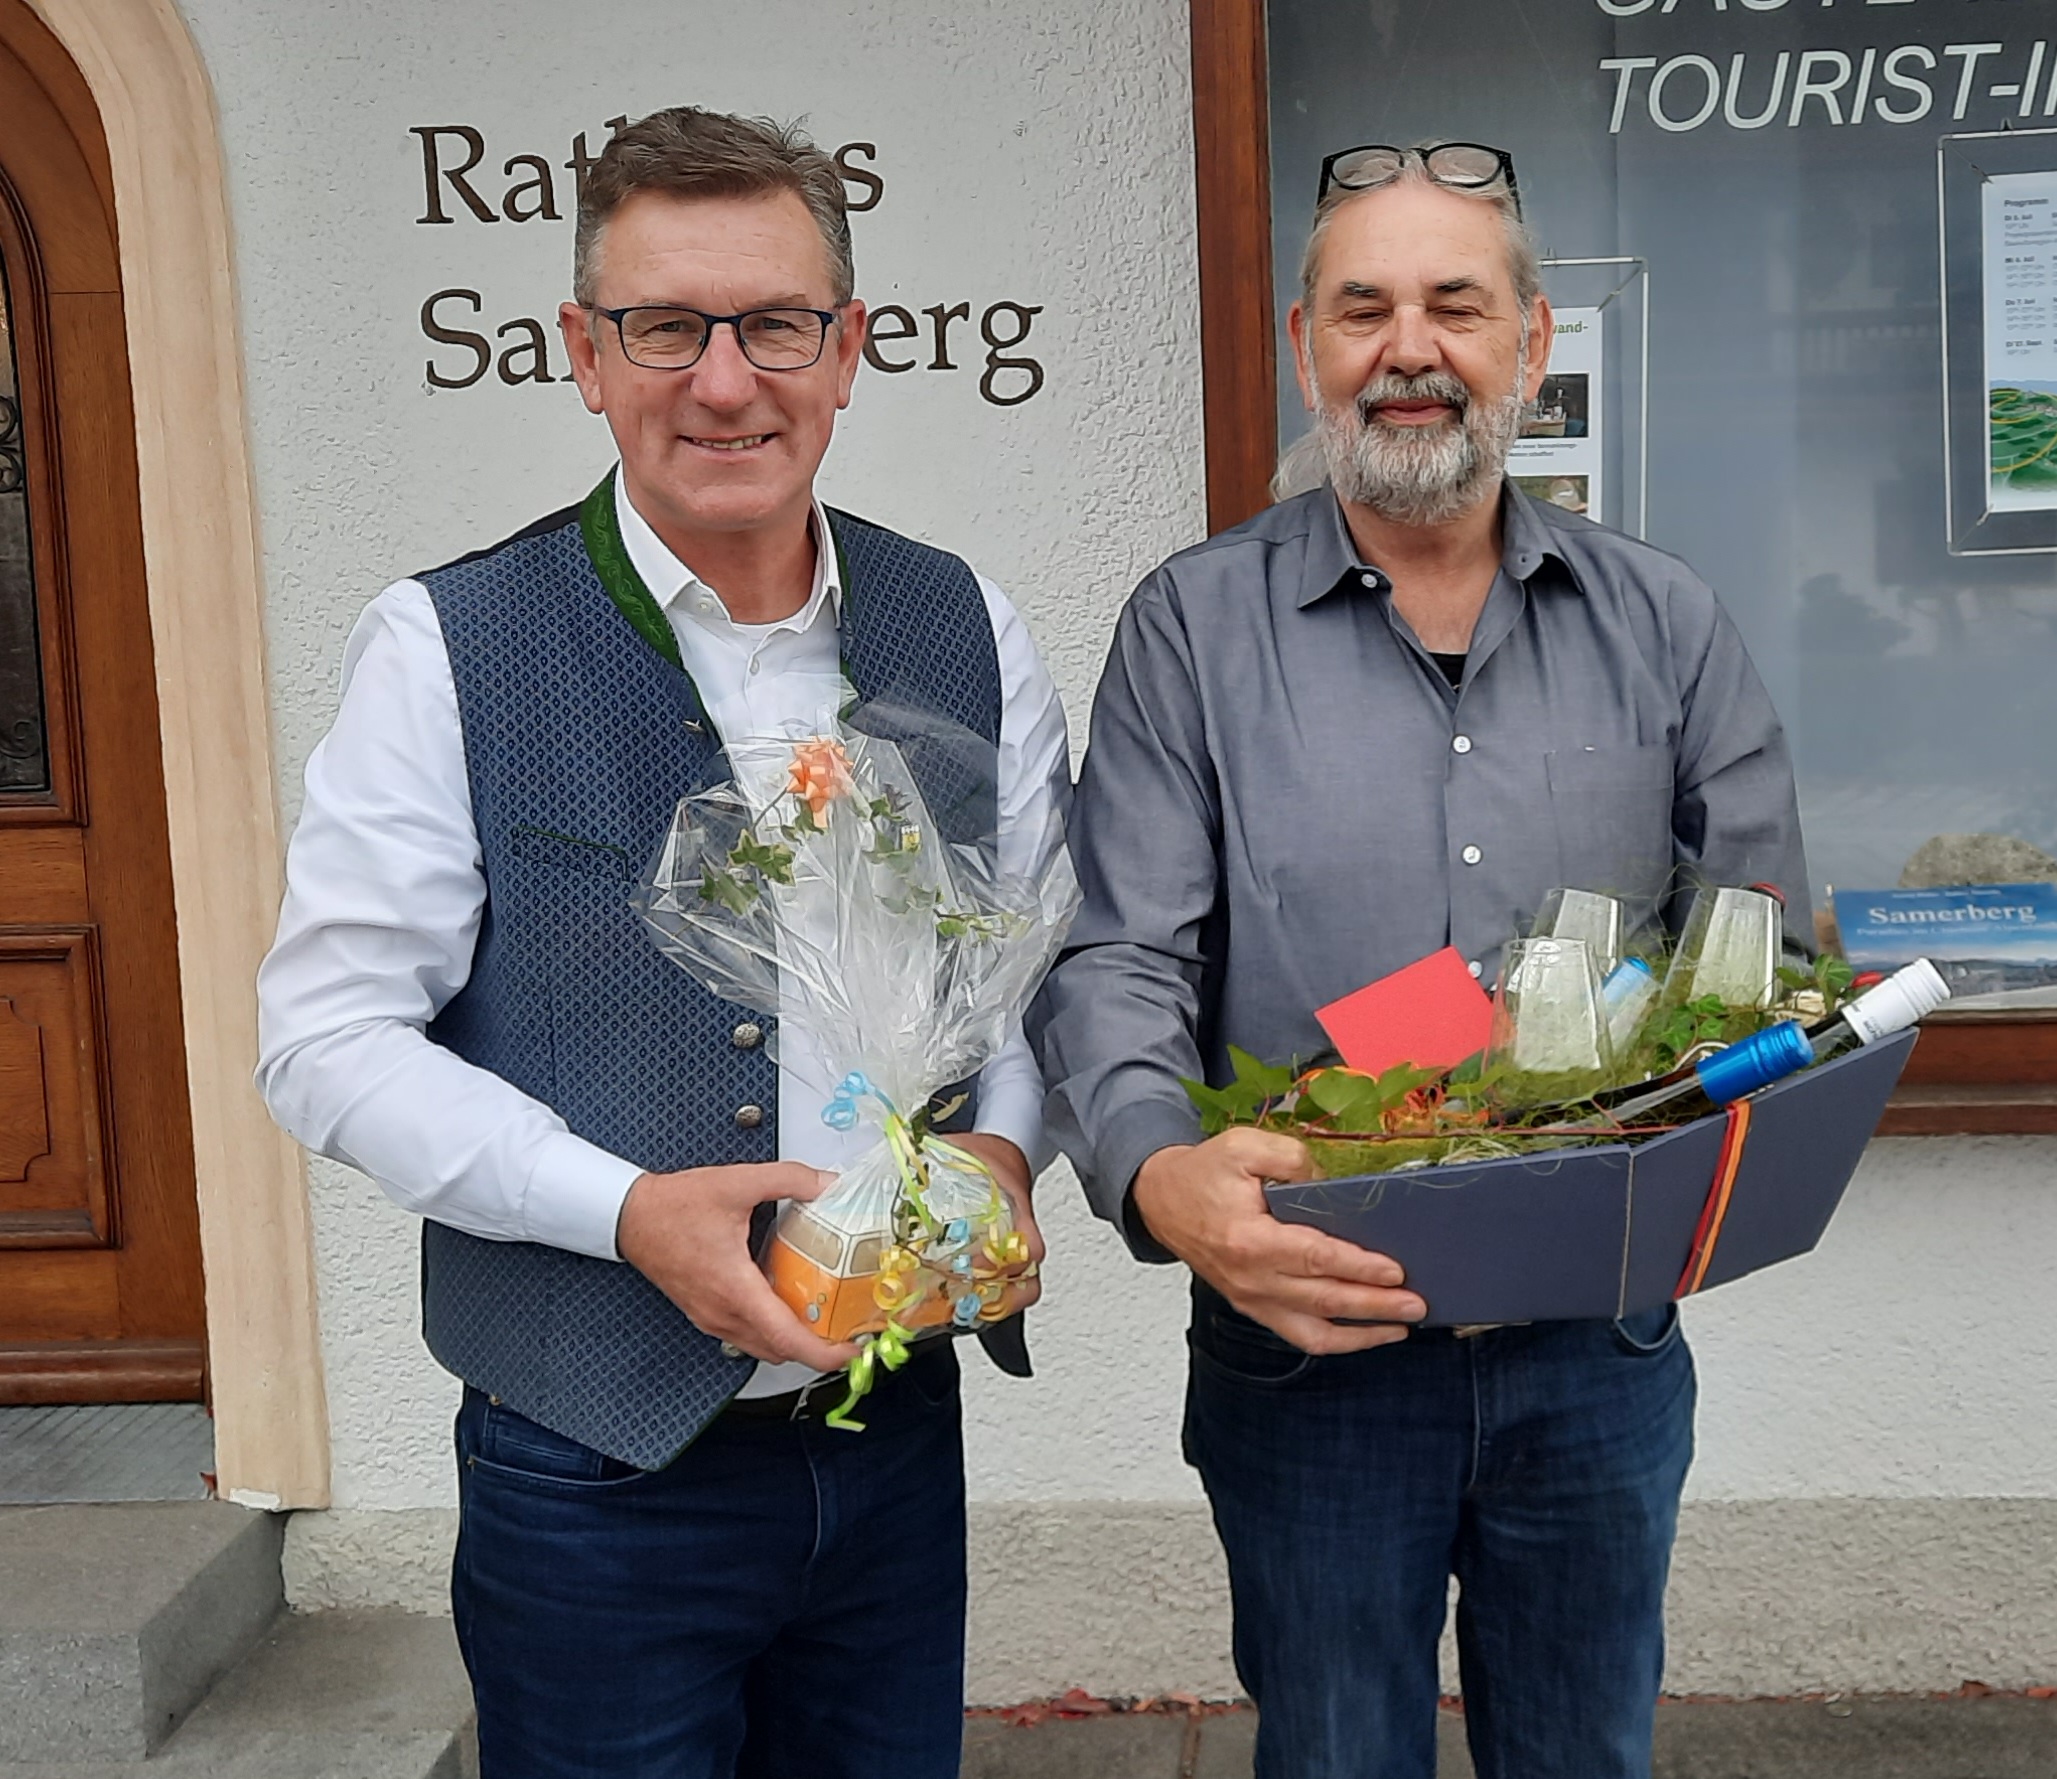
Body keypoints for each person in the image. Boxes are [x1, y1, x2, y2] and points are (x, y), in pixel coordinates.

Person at [257, 107, 1067, 1779]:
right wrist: (622, 1213)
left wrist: (1001, 1145)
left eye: (773, 324)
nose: (722, 382)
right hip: (591, 1472)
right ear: (582, 352)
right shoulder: (446, 644)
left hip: (890, 1439)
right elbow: (325, 1037)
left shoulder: (966, 624)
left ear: (845, 352)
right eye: (663, 327)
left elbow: (1029, 977)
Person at [1028, 140, 1808, 1779]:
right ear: (1302, 347)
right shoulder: (1190, 628)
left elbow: (1766, 973)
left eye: (1455, 304)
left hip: (1592, 1343)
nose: (1408, 347)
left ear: (1529, 346)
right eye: (1362, 307)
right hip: (1308, 1342)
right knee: (1329, 1756)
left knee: (1582, 1754)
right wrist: (1155, 1177)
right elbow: (1117, 957)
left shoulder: (1663, 623)